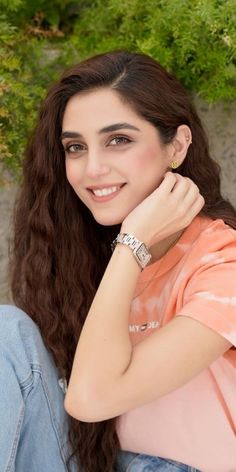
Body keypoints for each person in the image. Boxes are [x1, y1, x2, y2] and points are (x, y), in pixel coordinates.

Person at [1, 50, 236, 472]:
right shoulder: (84, 256)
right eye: (75, 147)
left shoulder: (224, 265)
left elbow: (92, 399)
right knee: (6, 334)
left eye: (119, 140)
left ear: (177, 146)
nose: (92, 169)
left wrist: (131, 245)